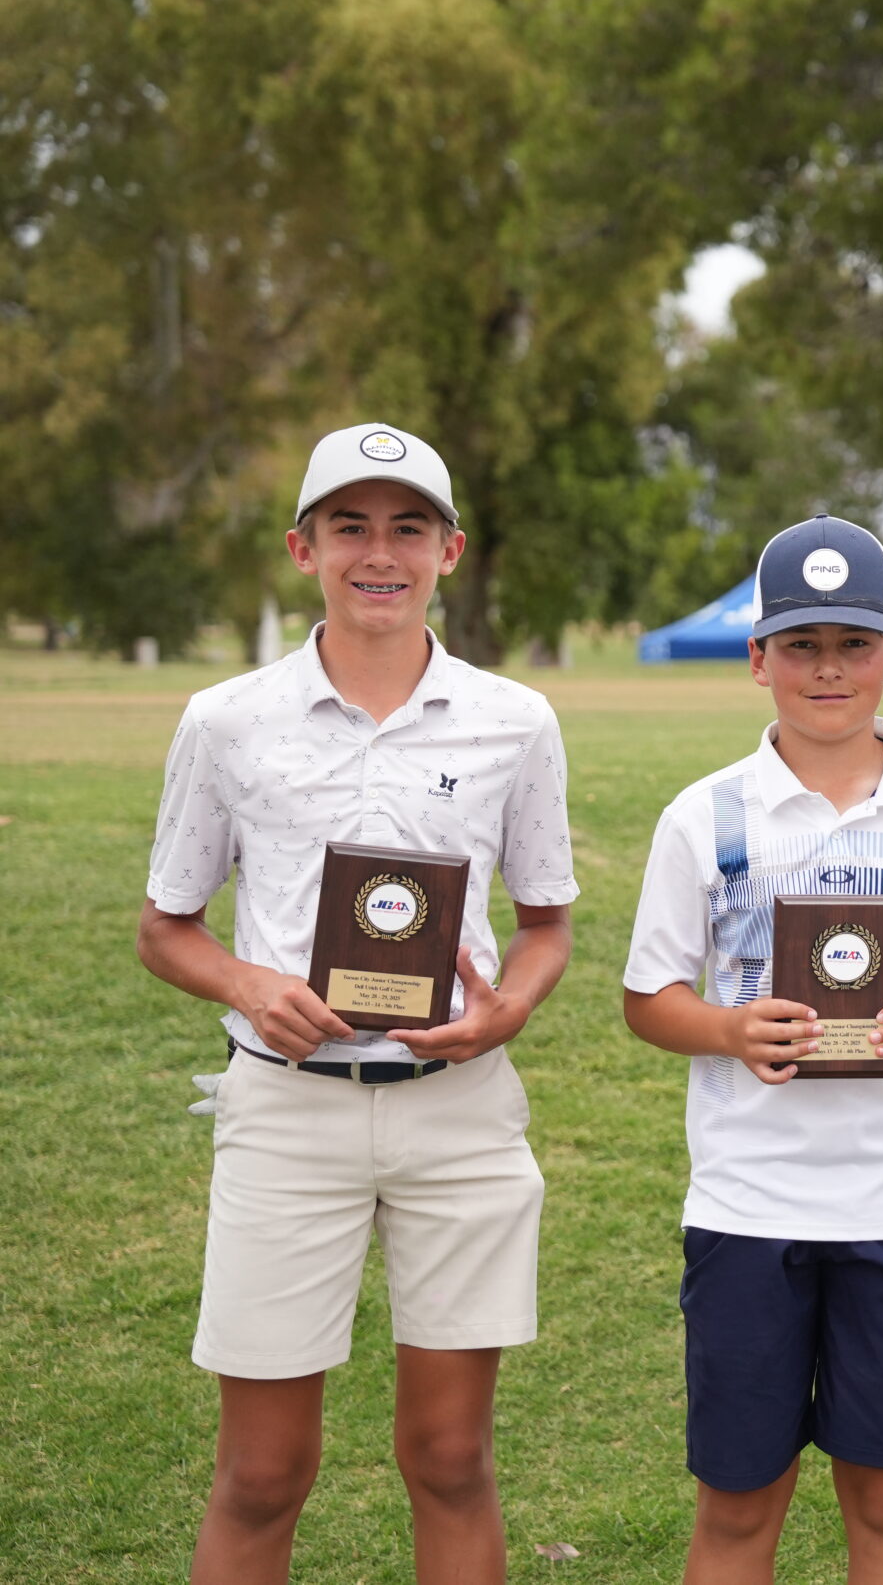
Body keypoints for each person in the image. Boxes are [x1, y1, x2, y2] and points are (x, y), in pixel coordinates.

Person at [137, 423, 579, 1585]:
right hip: (287, 1114)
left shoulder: (516, 721)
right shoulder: (226, 720)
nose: (379, 553)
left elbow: (547, 926)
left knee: (451, 1460)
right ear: (304, 549)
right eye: (350, 527)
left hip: (459, 1112)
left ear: (449, 550)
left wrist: (508, 1010)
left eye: (407, 529)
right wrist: (248, 983)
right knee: (261, 1472)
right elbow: (165, 928)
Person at [623, 516, 883, 1585]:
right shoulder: (705, 815)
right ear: (757, 658)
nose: (828, 669)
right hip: (748, 1207)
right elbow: (649, 996)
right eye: (801, 644)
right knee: (737, 1505)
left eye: (854, 644)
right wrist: (727, 1028)